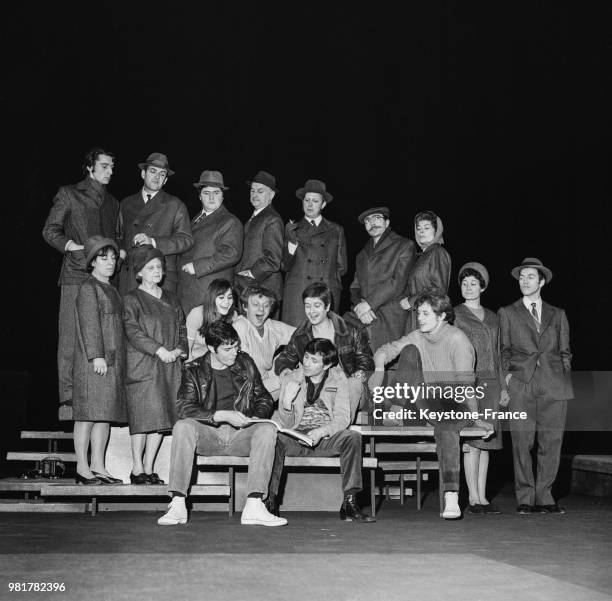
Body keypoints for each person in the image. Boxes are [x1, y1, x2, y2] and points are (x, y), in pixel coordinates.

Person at [370, 291, 493, 519]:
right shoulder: (418, 336)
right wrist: (378, 368)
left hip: (455, 404)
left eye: (426, 313)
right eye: (419, 313)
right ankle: (396, 410)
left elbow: (465, 387)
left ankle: (451, 495)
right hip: (424, 403)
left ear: (443, 316)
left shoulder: (458, 340)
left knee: (446, 427)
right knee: (408, 352)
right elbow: (387, 350)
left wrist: (476, 418)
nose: (420, 318)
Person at [158, 321, 286, 527]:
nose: (234, 353)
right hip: (209, 435)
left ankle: (254, 505)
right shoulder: (194, 369)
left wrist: (254, 417)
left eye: (236, 346)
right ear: (211, 348)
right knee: (182, 426)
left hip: (240, 435)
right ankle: (178, 503)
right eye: (227, 349)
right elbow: (183, 407)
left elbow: (264, 398)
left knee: (267, 429)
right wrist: (220, 415)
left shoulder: (245, 362)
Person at [42, 148, 121, 419]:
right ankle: (68, 400)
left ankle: (98, 394)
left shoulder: (112, 202)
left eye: (112, 167)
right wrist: (71, 246)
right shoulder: (69, 193)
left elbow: (116, 236)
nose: (110, 171)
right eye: (104, 166)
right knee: (70, 337)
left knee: (102, 336)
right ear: (89, 167)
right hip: (76, 274)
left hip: (106, 279)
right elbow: (50, 230)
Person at [268, 338, 375, 522]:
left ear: (327, 366)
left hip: (324, 438)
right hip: (296, 436)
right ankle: (269, 502)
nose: (307, 364)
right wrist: (286, 402)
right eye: (306, 358)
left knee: (352, 437)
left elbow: (342, 418)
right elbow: (284, 423)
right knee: (273, 438)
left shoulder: (339, 378)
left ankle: (350, 502)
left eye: (314, 361)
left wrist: (322, 431)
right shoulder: (291, 378)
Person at [498, 257, 573, 514]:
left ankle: (546, 495)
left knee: (551, 442)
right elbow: (503, 351)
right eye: (521, 277)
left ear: (541, 281)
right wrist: (508, 380)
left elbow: (565, 352)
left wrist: (563, 378)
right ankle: (525, 498)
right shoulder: (507, 312)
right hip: (522, 383)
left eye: (530, 276)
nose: (524, 281)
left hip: (554, 386)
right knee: (522, 442)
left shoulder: (558, 314)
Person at [123, 245, 188, 485]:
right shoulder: (131, 299)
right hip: (144, 364)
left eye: (159, 267)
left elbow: (182, 327)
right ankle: (136, 468)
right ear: (139, 272)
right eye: (150, 268)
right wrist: (159, 350)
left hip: (169, 365)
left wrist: (180, 350)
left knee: (161, 418)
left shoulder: (171, 297)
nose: (157, 271)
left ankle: (149, 468)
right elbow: (132, 330)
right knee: (143, 417)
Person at [454, 262, 509, 514]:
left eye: (473, 284)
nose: (468, 288)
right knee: (472, 441)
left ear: (483, 287)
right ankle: (473, 498)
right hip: (469, 384)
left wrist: (504, 387)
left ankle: (483, 497)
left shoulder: (495, 317)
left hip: (493, 384)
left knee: (488, 442)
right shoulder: (455, 314)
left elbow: (499, 354)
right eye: (464, 284)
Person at [72, 236, 126, 485]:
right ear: (92, 262)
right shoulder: (88, 287)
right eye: (104, 258)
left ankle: (99, 467)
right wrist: (96, 356)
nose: (110, 262)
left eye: (113, 258)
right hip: (94, 362)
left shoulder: (112, 289)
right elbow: (89, 324)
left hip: (111, 362)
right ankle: (82, 467)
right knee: (87, 415)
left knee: (103, 415)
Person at [275, 283, 374, 418]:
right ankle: (292, 422)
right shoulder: (301, 336)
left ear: (327, 306)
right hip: (317, 389)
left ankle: (337, 428)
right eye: (307, 306)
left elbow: (366, 359)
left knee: (354, 383)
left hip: (346, 388)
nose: (311, 311)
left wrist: (360, 371)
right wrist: (284, 369)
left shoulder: (350, 331)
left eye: (317, 306)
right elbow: (285, 358)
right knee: (290, 379)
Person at [118, 152, 192, 294]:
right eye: (153, 171)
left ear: (165, 180)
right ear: (143, 174)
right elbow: (119, 237)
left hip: (162, 279)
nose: (157, 177)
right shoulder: (126, 204)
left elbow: (186, 239)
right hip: (131, 277)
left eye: (162, 174)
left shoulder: (175, 205)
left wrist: (154, 242)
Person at [348, 206, 416, 353]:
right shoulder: (361, 255)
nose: (372, 223)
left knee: (382, 363)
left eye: (377, 218)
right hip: (365, 315)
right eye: (367, 220)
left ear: (387, 222)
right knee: (337, 330)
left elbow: (397, 282)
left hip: (390, 314)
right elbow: (355, 287)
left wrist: (369, 304)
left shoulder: (404, 245)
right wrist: (361, 308)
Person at [178, 169, 243, 321]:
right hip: (188, 294)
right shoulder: (195, 219)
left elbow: (231, 253)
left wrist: (197, 266)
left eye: (216, 192)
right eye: (207, 193)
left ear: (223, 195)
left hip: (209, 296)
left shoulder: (230, 221)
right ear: (200, 196)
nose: (212, 197)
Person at [281, 179, 347, 327]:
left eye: (315, 201)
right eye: (307, 200)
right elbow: (284, 265)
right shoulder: (292, 229)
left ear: (323, 204)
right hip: (298, 295)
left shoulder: (336, 230)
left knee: (323, 343)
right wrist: (292, 244)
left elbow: (342, 267)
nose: (310, 204)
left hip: (325, 294)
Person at [232, 286, 295, 398]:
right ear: (245, 307)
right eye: (255, 305)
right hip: (246, 389)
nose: (261, 310)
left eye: (266, 306)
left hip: (266, 383)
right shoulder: (240, 326)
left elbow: (301, 334)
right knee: (294, 379)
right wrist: (282, 379)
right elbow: (247, 377)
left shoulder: (270, 326)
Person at [234, 171, 284, 310]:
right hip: (249, 289)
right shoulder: (255, 217)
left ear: (271, 195)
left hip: (264, 291)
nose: (254, 194)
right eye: (252, 190)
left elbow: (273, 259)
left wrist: (251, 274)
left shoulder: (272, 220)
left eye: (260, 191)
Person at [400, 210, 451, 334]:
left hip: (429, 320)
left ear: (436, 230)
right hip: (415, 318)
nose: (421, 231)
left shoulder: (437, 252)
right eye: (418, 228)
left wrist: (411, 301)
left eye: (426, 227)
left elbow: (439, 289)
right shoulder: (421, 256)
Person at [186, 279, 237, 362]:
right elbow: (187, 350)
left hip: (219, 360)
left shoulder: (233, 315)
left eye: (230, 297)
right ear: (212, 298)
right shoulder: (197, 314)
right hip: (196, 359)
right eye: (221, 297)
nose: (227, 302)